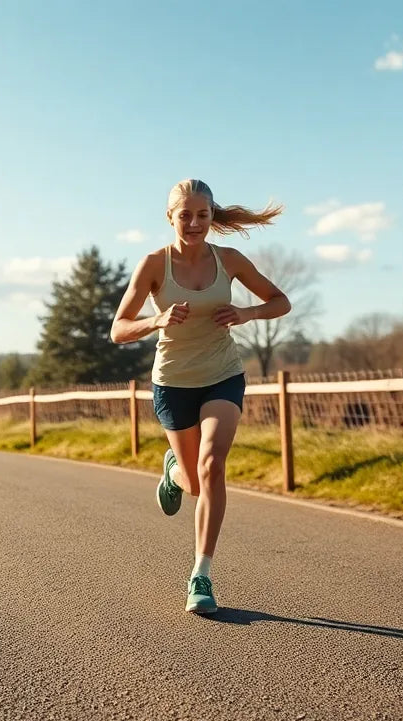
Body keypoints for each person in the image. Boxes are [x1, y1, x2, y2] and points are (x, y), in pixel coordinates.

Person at [110, 179, 290, 614]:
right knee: (192, 483)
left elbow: (280, 301)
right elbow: (118, 329)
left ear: (212, 216)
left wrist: (247, 312)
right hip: (172, 382)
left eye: (202, 215)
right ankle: (173, 473)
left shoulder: (228, 260)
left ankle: (201, 574)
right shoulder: (154, 264)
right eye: (185, 215)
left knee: (212, 465)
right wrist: (157, 321)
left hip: (222, 374)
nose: (194, 223)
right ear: (170, 217)